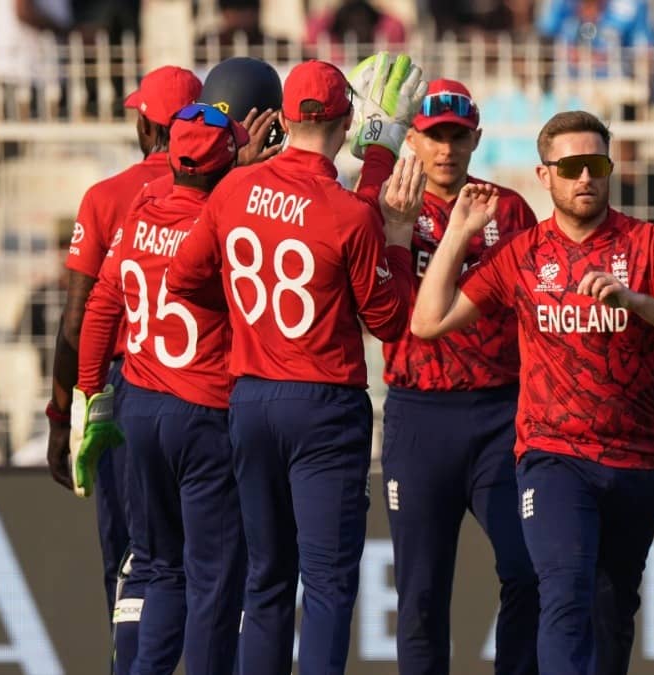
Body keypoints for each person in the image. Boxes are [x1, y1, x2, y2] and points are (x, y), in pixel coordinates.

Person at [412, 110, 654, 674]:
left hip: (636, 460)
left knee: (612, 611)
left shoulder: (648, 243)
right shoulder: (523, 254)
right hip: (553, 456)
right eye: (570, 167)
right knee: (564, 593)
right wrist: (458, 232)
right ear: (545, 175)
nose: (584, 178)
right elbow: (429, 321)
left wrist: (635, 302)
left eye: (595, 165)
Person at [166, 55, 426, 674]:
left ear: (283, 118)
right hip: (323, 406)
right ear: (343, 123)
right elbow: (390, 324)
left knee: (267, 578)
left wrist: (238, 314)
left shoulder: (232, 188)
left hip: (251, 399)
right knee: (329, 582)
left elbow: (182, 279)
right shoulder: (348, 213)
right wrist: (396, 231)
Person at [73, 103, 250, 674]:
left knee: (156, 566)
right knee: (215, 576)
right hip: (202, 412)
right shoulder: (223, 224)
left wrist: (88, 393)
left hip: (139, 409)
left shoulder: (141, 213)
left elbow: (100, 308)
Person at [380, 77, 540, 675]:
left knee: (527, 570)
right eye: (432, 137)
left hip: (499, 412)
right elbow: (384, 312)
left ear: (476, 139)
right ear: (413, 143)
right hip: (419, 413)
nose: (445, 149)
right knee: (420, 595)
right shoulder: (390, 205)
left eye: (457, 136)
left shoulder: (509, 208)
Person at [45, 64, 201, 674]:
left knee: (135, 563)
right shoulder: (221, 192)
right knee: (212, 560)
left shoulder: (108, 196)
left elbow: (76, 317)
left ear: (144, 124)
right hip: (205, 385)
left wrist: (64, 414)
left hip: (122, 387)